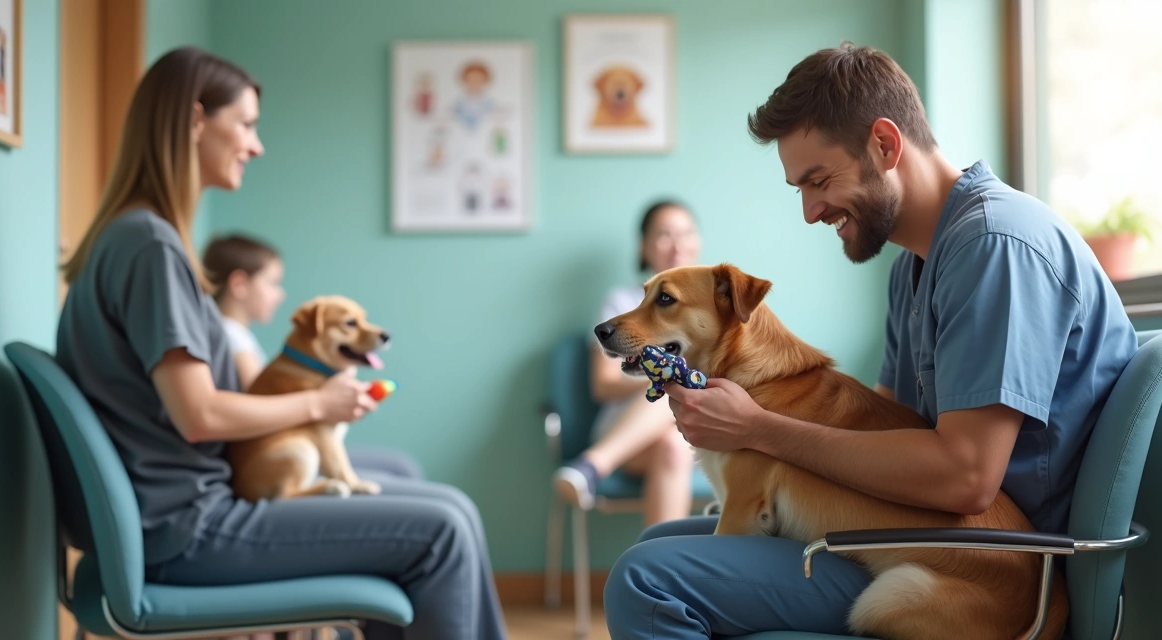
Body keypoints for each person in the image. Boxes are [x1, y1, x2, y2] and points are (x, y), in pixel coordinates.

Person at [603, 42, 1139, 638]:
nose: (810, 211)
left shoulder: (994, 247)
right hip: (922, 533)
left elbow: (967, 478)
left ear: (885, 145)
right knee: (661, 541)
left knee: (646, 577)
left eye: (820, 180)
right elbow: (872, 430)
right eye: (798, 189)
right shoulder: (915, 266)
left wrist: (757, 427)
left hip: (980, 573)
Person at [56, 46, 506, 640]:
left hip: (177, 519)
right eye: (244, 124)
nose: (255, 144)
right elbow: (199, 414)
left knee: (453, 511)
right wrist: (318, 403)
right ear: (195, 122)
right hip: (188, 530)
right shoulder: (151, 247)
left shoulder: (135, 239)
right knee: (444, 528)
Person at [202, 234, 425, 481]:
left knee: (401, 468)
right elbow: (259, 405)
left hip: (294, 442)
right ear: (239, 285)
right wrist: (326, 403)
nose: (280, 295)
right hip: (274, 453)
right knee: (402, 474)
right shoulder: (233, 338)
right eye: (273, 283)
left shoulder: (239, 334)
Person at [553, 200, 702, 527]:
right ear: (644, 246)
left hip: (691, 433)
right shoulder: (621, 303)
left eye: (686, 233)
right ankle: (596, 463)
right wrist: (661, 379)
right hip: (626, 433)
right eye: (664, 234)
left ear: (697, 241)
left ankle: (589, 468)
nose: (677, 245)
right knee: (667, 387)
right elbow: (603, 384)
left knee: (674, 446)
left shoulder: (710, 308)